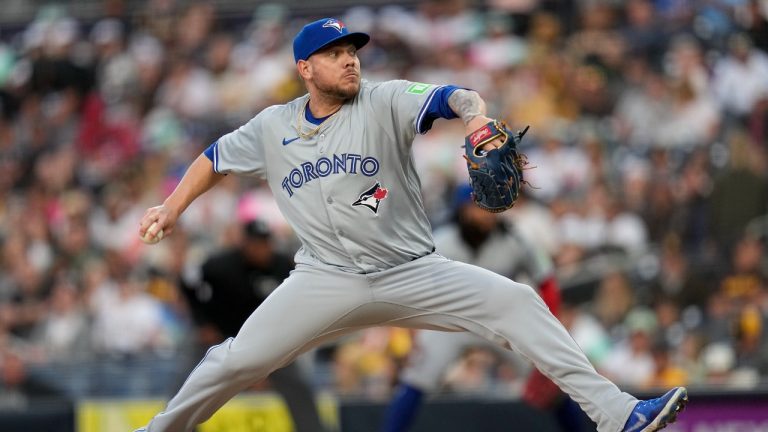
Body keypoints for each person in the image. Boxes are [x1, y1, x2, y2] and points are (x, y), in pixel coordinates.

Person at [135, 17, 687, 432]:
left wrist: (475, 119)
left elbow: (455, 95)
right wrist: (171, 208)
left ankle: (618, 416)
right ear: (305, 69)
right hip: (325, 279)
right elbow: (213, 157)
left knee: (517, 302)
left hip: (412, 271)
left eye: (352, 50)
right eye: (334, 53)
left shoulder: (385, 100)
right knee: (236, 360)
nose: (350, 60)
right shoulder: (271, 126)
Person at [381, 183, 584, 432]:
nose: (486, 214)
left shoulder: (514, 240)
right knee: (415, 380)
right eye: (478, 207)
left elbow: (547, 281)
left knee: (551, 381)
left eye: (490, 207)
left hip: (501, 322)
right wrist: (413, 333)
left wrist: (551, 325)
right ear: (462, 210)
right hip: (452, 323)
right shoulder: (440, 240)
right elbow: (411, 289)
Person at [177, 219, 326, 432]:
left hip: (264, 341)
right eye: (256, 243)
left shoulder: (282, 266)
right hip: (218, 336)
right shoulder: (221, 265)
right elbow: (187, 281)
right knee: (189, 384)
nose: (261, 248)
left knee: (298, 385)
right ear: (244, 243)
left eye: (265, 243)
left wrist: (264, 365)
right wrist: (202, 323)